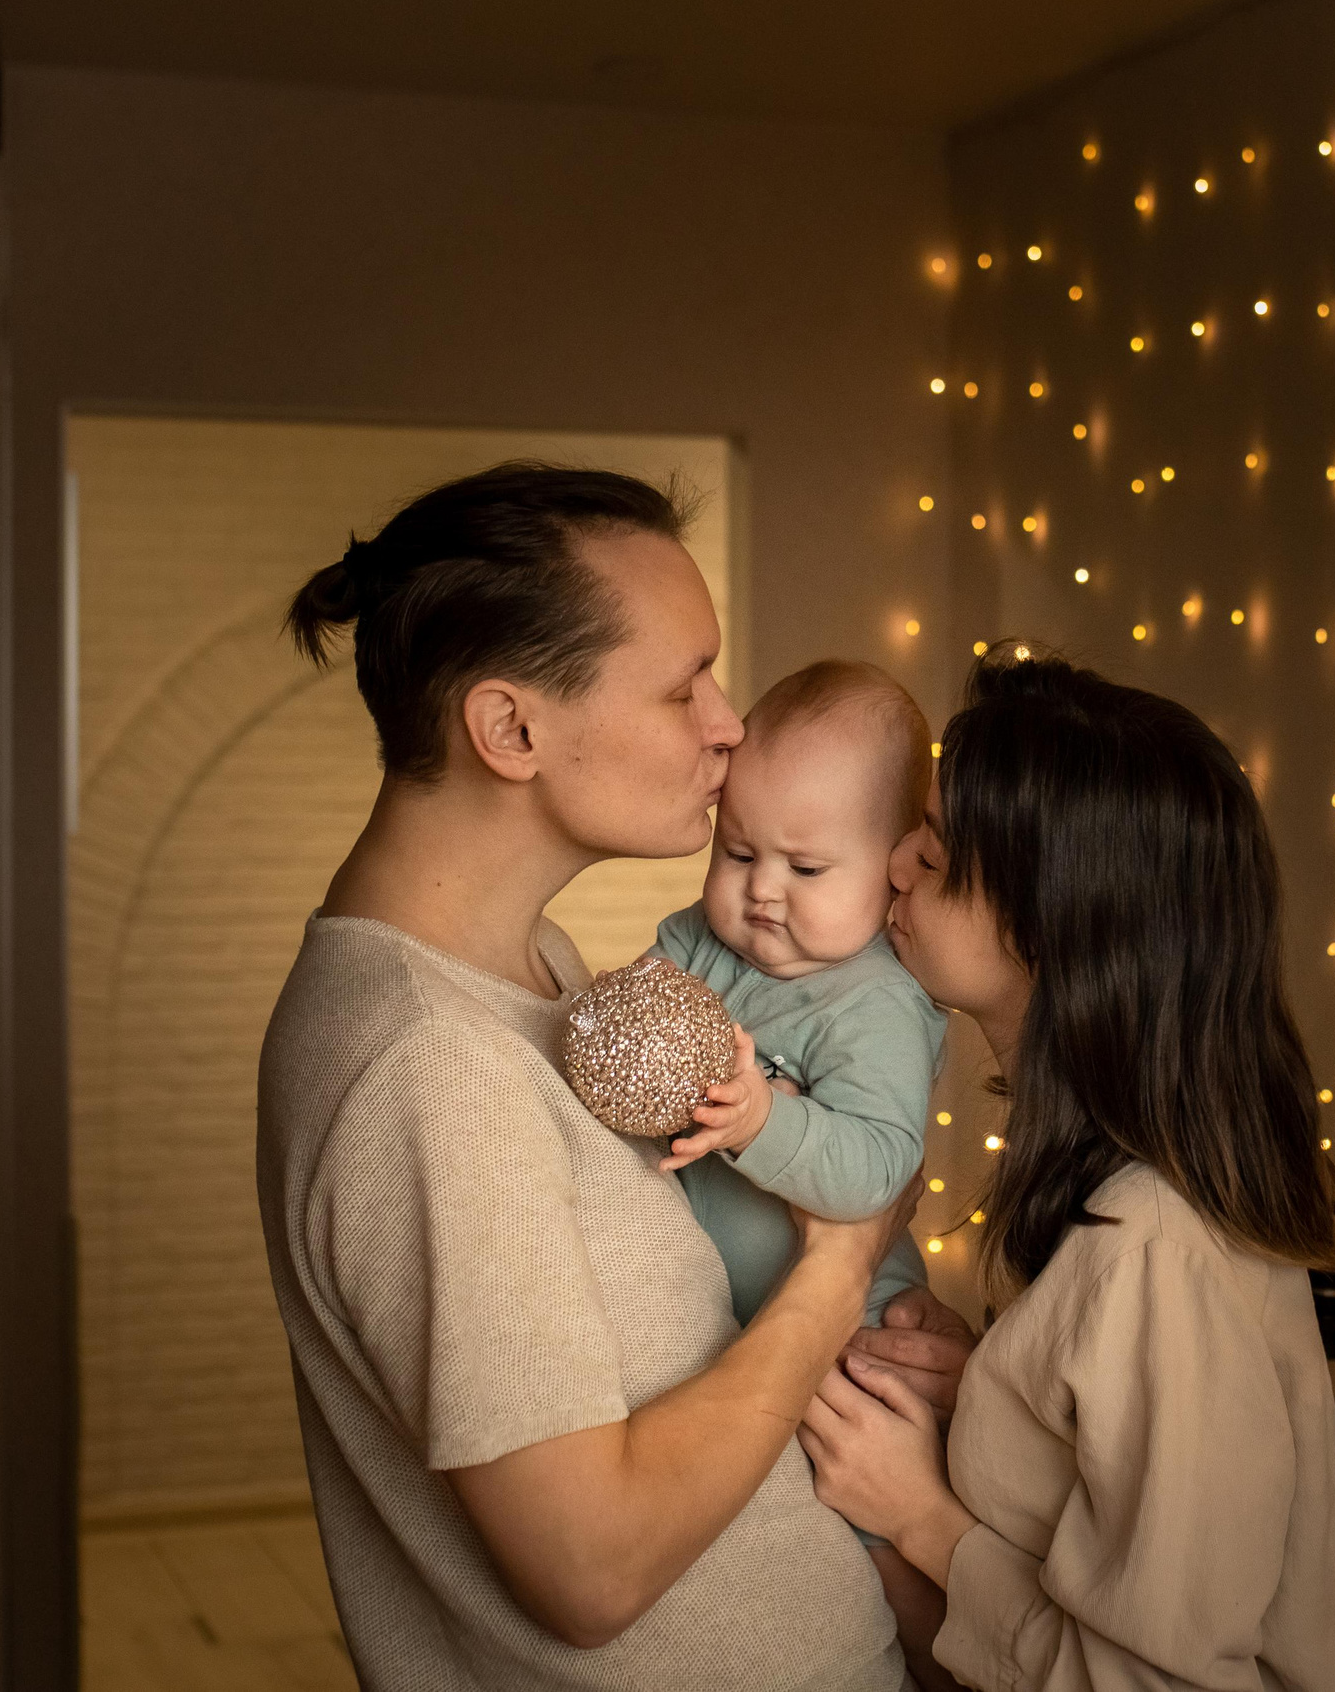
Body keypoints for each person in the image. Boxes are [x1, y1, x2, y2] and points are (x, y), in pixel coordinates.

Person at [255, 461, 968, 1689]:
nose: (730, 723)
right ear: (511, 729)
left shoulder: (533, 972)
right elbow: (590, 1568)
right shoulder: (433, 1071)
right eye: (684, 683)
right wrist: (839, 1266)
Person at [796, 648, 1335, 1691]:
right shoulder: (1103, 1201)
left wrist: (922, 1519)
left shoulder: (1155, 1250)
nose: (891, 866)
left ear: (1049, 919)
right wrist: (989, 1390)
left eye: (933, 855)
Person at [640, 657, 955, 1674]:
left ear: (896, 866)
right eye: (738, 852)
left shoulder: (876, 1004)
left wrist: (760, 1122)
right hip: (723, 1331)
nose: (762, 893)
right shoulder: (699, 946)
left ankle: (940, 1666)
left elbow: (872, 1171)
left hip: (851, 1341)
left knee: (872, 1539)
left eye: (806, 869)